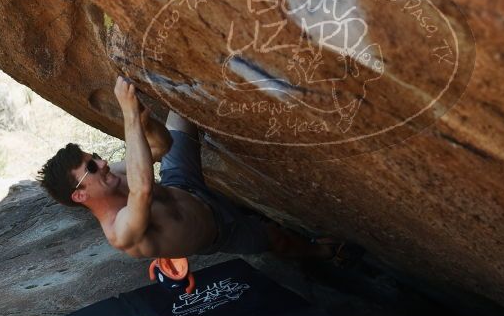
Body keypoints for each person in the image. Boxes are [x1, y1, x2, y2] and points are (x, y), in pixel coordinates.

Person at [37, 76, 345, 261]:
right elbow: (142, 189)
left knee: (181, 108)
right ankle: (321, 253)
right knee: (277, 239)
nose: (103, 163)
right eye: (91, 166)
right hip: (220, 232)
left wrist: (144, 120)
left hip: (183, 183)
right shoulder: (121, 233)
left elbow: (160, 147)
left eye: (97, 157)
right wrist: (128, 117)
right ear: (80, 195)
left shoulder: (110, 176)